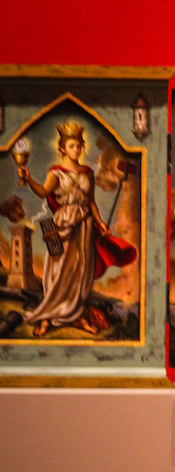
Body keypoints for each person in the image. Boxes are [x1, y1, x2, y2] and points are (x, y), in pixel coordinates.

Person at [18, 122, 109, 336]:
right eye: (71, 146)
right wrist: (28, 178)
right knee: (58, 270)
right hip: (62, 223)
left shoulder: (88, 173)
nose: (76, 149)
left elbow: (91, 201)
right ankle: (48, 318)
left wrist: (100, 221)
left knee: (80, 270)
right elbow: (42, 192)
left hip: (84, 225)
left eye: (78, 146)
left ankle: (77, 316)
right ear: (62, 149)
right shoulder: (56, 172)